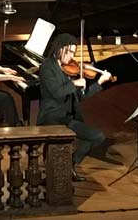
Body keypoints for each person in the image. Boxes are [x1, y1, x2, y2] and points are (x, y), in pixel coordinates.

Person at [37, 33, 111, 180]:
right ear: (59, 48)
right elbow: (57, 93)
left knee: (97, 136)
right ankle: (55, 172)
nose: (71, 56)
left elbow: (81, 97)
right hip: (52, 116)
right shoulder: (47, 67)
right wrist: (74, 83)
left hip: (68, 117)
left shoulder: (68, 70)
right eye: (69, 51)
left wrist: (99, 83)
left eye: (73, 52)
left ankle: (70, 164)